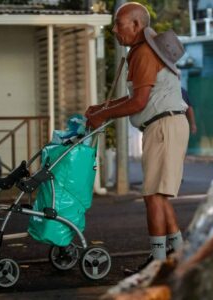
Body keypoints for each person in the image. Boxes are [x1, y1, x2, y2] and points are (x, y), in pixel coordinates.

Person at [85, 2, 189, 271]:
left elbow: (139, 102)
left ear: (136, 25)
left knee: (153, 195)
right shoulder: (142, 51)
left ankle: (158, 263)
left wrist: (104, 115)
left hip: (163, 127)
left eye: (119, 24)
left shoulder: (143, 53)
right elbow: (138, 97)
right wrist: (102, 108)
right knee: (158, 194)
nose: (114, 30)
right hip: (163, 126)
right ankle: (177, 257)